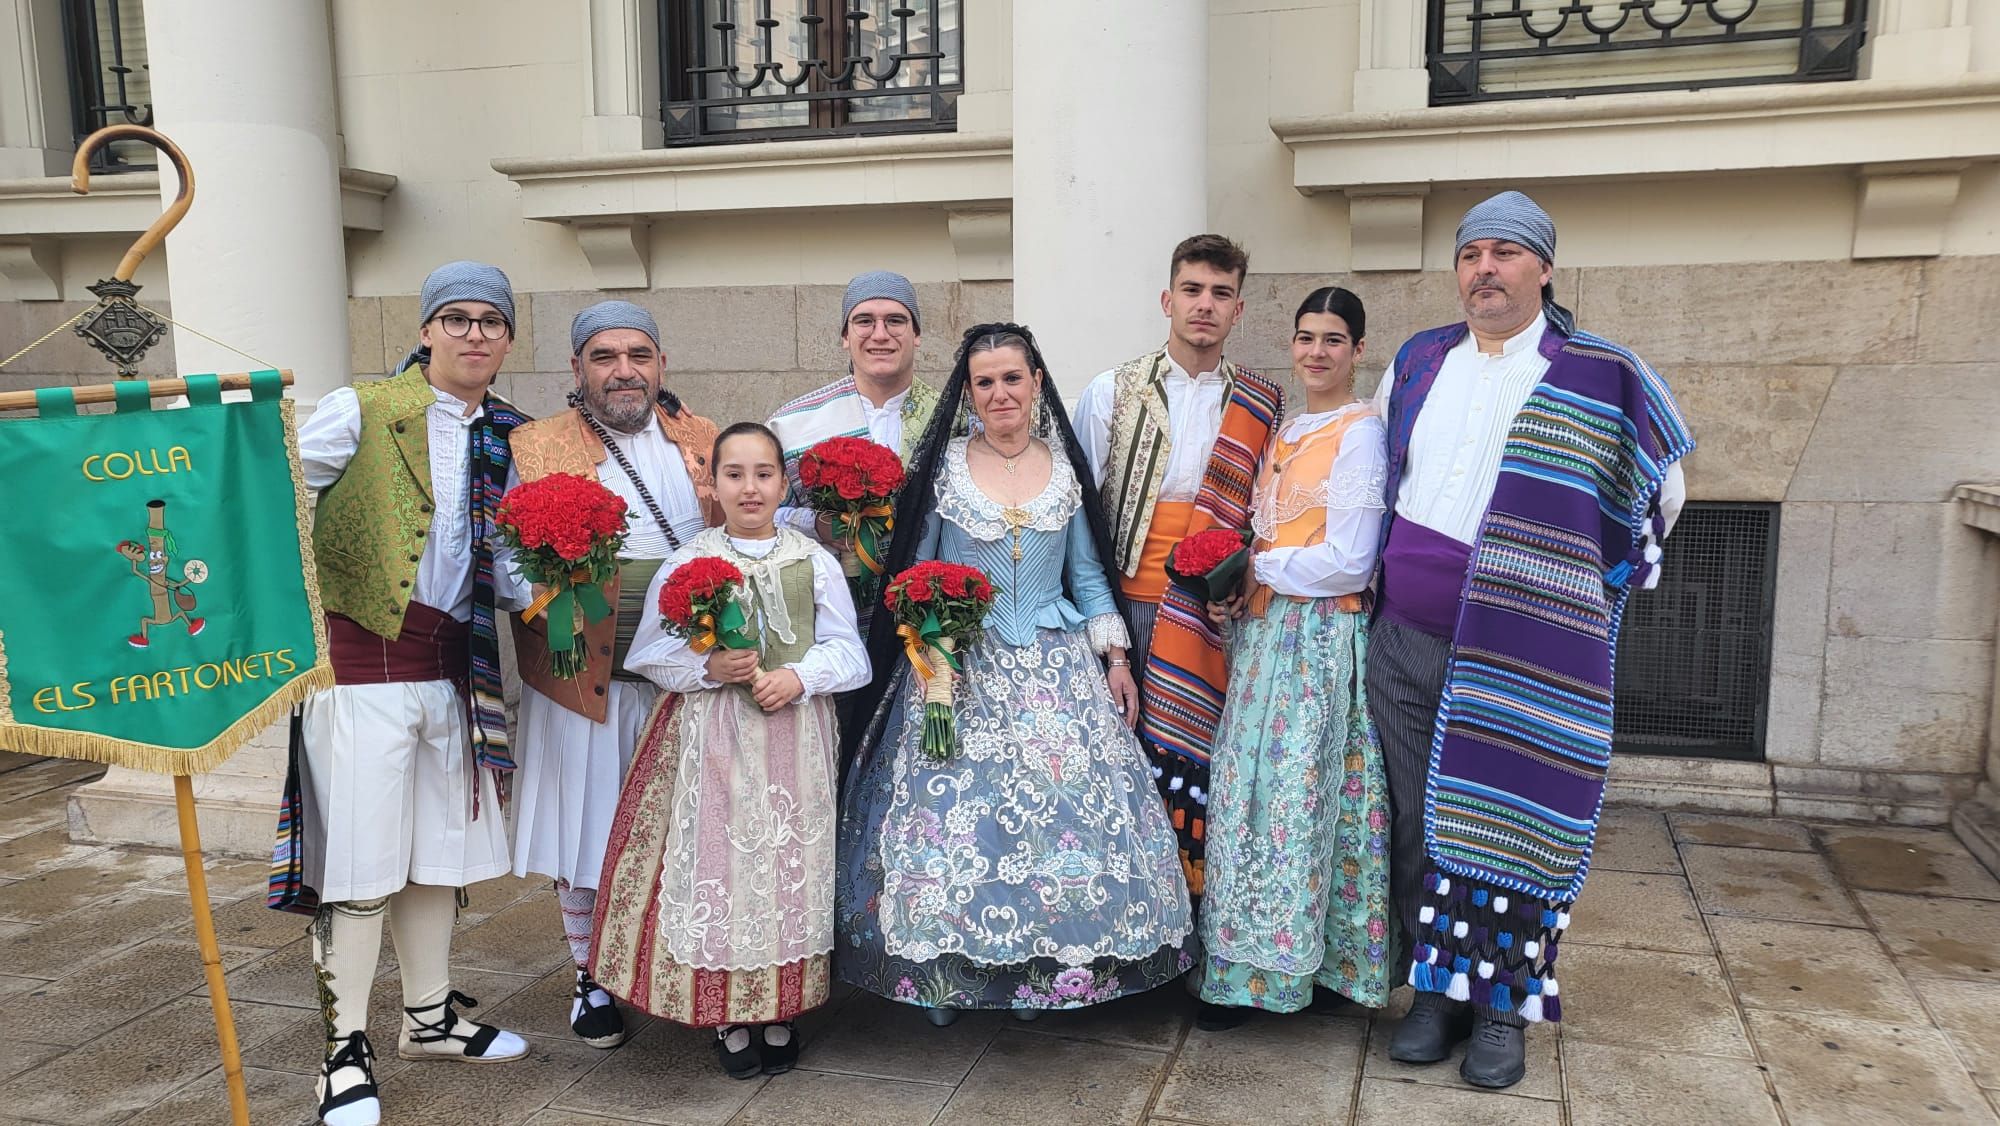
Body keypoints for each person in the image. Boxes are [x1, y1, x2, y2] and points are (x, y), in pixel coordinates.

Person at [1370, 192, 1692, 1090]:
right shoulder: (1419, 360)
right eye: (1473, 253)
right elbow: (1389, 473)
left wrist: (1581, 588)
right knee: (1417, 823)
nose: (1486, 270)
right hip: (1406, 633)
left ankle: (1503, 1006)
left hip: (1523, 650)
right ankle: (1434, 993)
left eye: (1507, 253)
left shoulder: (1599, 372)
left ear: (1544, 269)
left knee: (1507, 822)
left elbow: (1657, 494)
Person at [836, 323, 1193, 1024]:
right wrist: (933, 647)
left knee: (1050, 824)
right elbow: (915, 575)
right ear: (968, 392)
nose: (1000, 392)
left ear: (1035, 382)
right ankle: (946, 968)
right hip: (961, 667)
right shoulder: (945, 469)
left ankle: (1037, 968)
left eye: (1012, 378)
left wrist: (1117, 659)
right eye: (985, 381)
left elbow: (1088, 576)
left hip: (1056, 669)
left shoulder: (1061, 469)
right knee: (957, 825)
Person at [273, 261, 534, 1126]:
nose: (473, 334)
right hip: (359, 673)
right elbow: (276, 499)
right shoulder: (360, 407)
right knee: (358, 865)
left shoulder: (510, 434)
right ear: (426, 331)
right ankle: (342, 1051)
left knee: (434, 857)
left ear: (506, 337)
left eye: (490, 321)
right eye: (455, 318)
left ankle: (428, 1018)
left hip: (452, 675)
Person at [592, 422, 870, 1079]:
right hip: (713, 740)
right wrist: (709, 668)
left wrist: (800, 676)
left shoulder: (812, 561)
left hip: (793, 741)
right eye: (735, 474)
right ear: (712, 485)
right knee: (722, 866)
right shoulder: (689, 562)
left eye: (764, 473)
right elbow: (649, 654)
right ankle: (726, 1012)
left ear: (782, 483)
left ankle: (778, 1009)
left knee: (786, 870)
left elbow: (850, 653)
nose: (750, 487)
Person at [506, 300, 719, 1050]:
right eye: (604, 357)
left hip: (684, 672)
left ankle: (668, 962)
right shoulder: (534, 445)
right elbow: (505, 558)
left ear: (661, 365)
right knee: (586, 828)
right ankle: (590, 975)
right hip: (582, 670)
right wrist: (560, 588)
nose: (623, 370)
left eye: (638, 355)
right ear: (577, 370)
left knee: (683, 828)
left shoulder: (703, 437)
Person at [1194, 287, 1393, 1028]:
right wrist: (1237, 585)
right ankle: (1247, 968)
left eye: (1333, 339)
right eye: (1306, 337)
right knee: (1251, 799)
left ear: (1357, 350)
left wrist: (1260, 568)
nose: (1316, 352)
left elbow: (1350, 561)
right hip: (1266, 638)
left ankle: (1308, 972)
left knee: (1301, 802)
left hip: (1318, 640)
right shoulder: (1286, 430)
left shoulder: (1361, 432)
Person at [1072, 235, 1284, 923]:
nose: (1204, 306)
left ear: (1239, 309)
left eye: (1220, 294)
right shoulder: (1110, 391)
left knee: (1202, 776)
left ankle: (1195, 929)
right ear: (1168, 299)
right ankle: (1125, 929)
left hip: (1214, 619)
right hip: (1130, 614)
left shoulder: (1262, 404)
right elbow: (1081, 517)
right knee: (1124, 777)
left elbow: (1268, 517)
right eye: (1192, 290)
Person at [768, 271, 944, 598]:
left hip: (924, 616)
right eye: (864, 321)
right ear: (845, 336)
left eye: (895, 321)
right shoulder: (793, 423)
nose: (880, 334)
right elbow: (762, 516)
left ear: (916, 334)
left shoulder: (951, 418)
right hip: (827, 611)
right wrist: (815, 523)